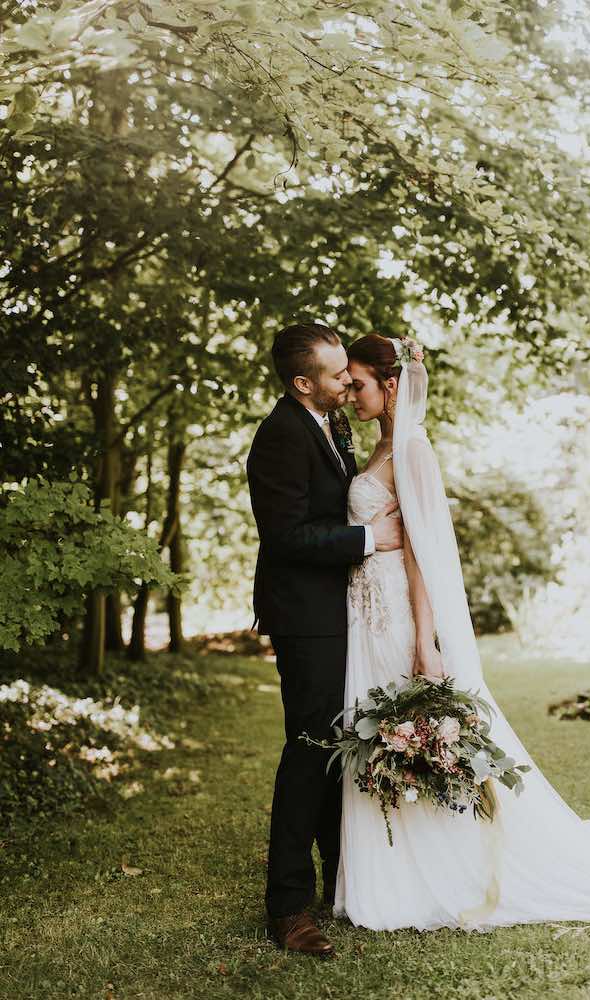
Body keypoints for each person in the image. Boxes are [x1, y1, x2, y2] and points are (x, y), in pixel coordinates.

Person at [334, 333, 590, 930]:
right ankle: (386, 870)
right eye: (346, 383)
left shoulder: (414, 451)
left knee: (409, 734)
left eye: (359, 383)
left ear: (390, 384)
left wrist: (426, 640)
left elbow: (424, 554)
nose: (349, 394)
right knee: (376, 734)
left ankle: (434, 872)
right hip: (364, 611)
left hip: (396, 612)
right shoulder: (375, 450)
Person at [246, 323, 405, 957]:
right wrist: (370, 541)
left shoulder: (331, 425)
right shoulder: (280, 436)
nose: (348, 381)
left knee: (336, 744)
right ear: (302, 382)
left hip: (339, 611)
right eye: (338, 374)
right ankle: (287, 908)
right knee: (308, 749)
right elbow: (285, 536)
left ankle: (342, 872)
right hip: (304, 615)